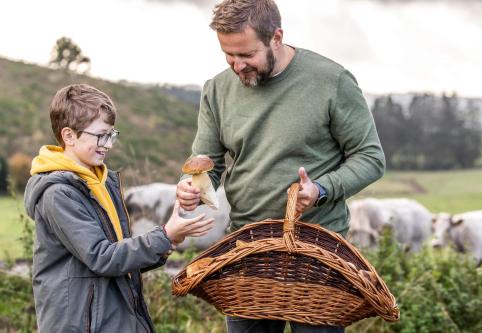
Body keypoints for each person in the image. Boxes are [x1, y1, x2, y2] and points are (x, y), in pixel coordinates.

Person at [176, 0, 385, 331]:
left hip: (316, 252)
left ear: (276, 36)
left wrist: (321, 189)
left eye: (247, 55)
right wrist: (192, 188)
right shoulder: (216, 90)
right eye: (228, 55)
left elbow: (370, 157)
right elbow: (207, 163)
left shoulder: (331, 81)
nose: (237, 65)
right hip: (246, 249)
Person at [24, 84, 214, 333]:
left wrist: (167, 241)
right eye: (101, 135)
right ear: (69, 136)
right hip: (80, 325)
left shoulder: (101, 182)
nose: (108, 144)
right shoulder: (59, 194)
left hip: (111, 318)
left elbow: (119, 256)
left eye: (111, 135)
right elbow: (102, 257)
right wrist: (164, 235)